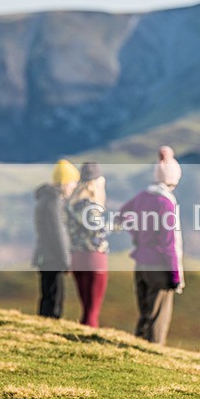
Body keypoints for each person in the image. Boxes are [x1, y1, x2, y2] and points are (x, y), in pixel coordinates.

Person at [117, 146, 184, 345]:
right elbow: (169, 243)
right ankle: (153, 355)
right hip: (159, 267)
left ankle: (135, 349)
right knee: (158, 318)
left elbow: (121, 215)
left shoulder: (142, 196)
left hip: (141, 263)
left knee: (145, 312)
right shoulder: (167, 203)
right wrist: (175, 275)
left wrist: (137, 234)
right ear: (173, 179)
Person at [33, 159, 79, 319]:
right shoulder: (55, 202)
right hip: (53, 258)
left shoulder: (46, 199)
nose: (74, 187)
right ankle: (48, 329)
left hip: (45, 256)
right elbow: (58, 232)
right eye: (73, 182)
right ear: (65, 182)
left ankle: (42, 325)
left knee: (48, 295)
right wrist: (66, 260)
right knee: (55, 298)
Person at [67, 161, 108, 327]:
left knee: (86, 306)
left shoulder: (71, 204)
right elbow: (98, 231)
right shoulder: (92, 206)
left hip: (76, 257)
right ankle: (87, 342)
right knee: (92, 310)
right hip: (94, 258)